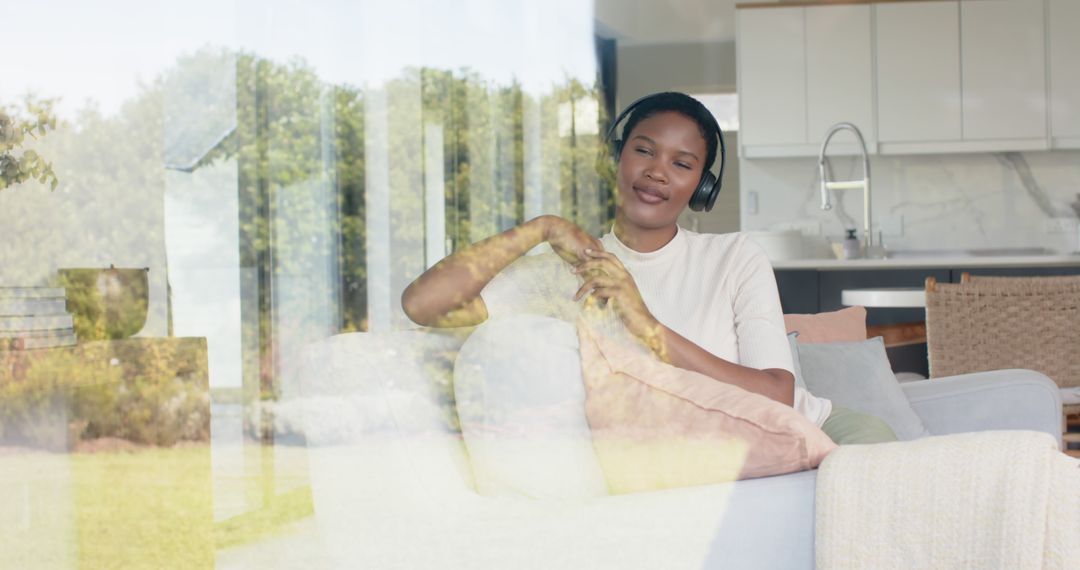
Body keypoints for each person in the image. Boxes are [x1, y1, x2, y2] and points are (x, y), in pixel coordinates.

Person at [401, 92, 894, 445]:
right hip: (709, 456)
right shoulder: (568, 271)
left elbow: (778, 395)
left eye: (682, 164)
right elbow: (422, 304)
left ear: (700, 186)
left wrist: (646, 324)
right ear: (616, 159)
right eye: (644, 150)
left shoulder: (734, 257)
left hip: (817, 432)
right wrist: (540, 229)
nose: (658, 171)